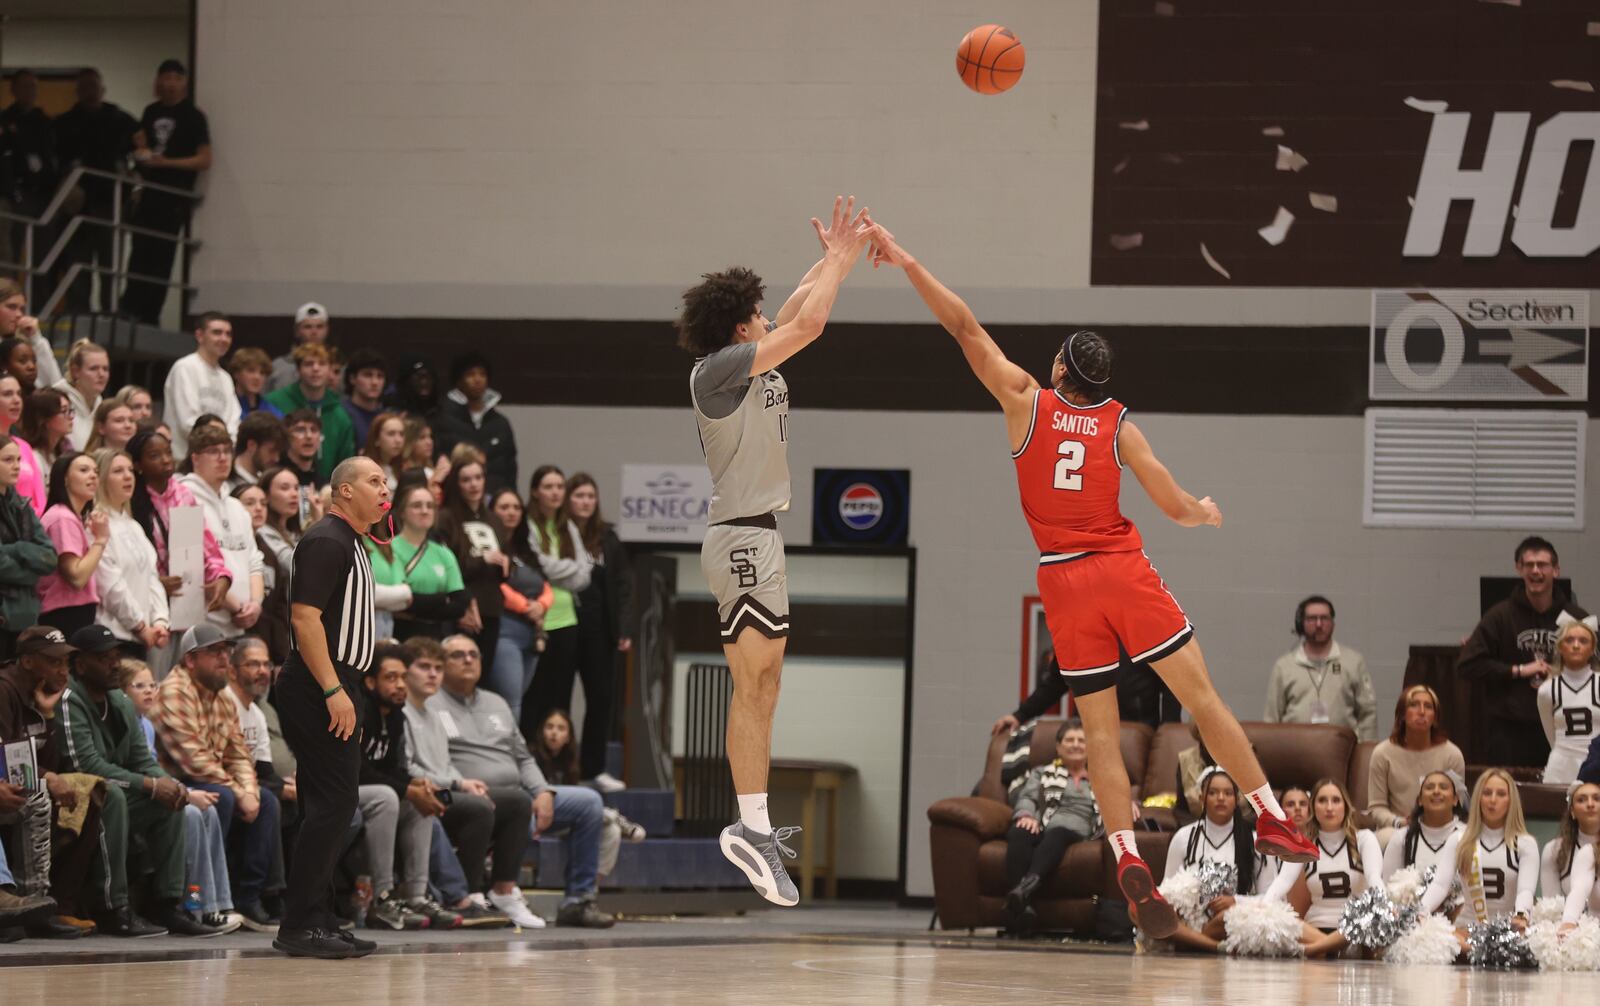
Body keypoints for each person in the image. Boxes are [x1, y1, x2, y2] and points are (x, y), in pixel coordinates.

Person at [867, 219, 1319, 935]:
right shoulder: (1118, 426)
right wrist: (1202, 514)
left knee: (1100, 735)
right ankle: (1272, 818)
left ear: (1057, 370)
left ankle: (1125, 857)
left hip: (1063, 581)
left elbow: (962, 325)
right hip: (1121, 568)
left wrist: (904, 258)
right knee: (1201, 699)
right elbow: (1171, 504)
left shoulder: (1024, 400)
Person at [674, 198, 878, 907]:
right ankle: (751, 827)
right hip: (741, 537)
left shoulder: (745, 353)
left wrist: (835, 257)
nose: (769, 320)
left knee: (765, 686)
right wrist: (842, 264)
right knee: (754, 683)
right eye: (756, 313)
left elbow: (797, 311)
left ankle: (753, 825)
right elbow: (810, 323)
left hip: (757, 536)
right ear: (736, 326)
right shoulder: (719, 370)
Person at [271, 456, 389, 959]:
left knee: (328, 805)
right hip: (321, 682)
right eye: (374, 481)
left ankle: (316, 918)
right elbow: (305, 619)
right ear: (344, 492)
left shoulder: (354, 541)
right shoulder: (325, 539)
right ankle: (299, 924)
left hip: (340, 681)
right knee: (336, 804)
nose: (385, 489)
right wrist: (332, 690)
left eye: (386, 481)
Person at [429, 634, 613, 928]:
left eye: (474, 654)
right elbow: (436, 760)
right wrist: (463, 784)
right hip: (473, 795)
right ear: (441, 664)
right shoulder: (431, 702)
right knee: (516, 809)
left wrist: (543, 791)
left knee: (589, 802)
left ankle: (578, 901)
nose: (468, 660)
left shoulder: (496, 703)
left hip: (520, 792)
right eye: (458, 655)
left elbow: (524, 757)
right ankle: (499, 889)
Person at [56, 625, 216, 936]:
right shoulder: (70, 698)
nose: (114, 664)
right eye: (103, 658)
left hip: (113, 789)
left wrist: (167, 784)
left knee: (171, 801)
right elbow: (87, 767)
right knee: (112, 797)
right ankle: (113, 907)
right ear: (80, 663)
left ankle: (167, 904)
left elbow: (142, 760)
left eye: (116, 656)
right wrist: (150, 785)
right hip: (74, 794)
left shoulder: (120, 702)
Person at [154, 624, 282, 931]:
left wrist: (249, 791)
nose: (224, 658)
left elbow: (238, 752)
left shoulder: (221, 695)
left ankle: (248, 899)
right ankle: (205, 902)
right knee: (222, 797)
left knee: (266, 801)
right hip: (174, 780)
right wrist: (239, 791)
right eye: (214, 652)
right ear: (190, 660)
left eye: (226, 651)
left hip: (210, 779)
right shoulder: (175, 692)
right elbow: (194, 759)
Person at [122, 659, 241, 934]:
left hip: (153, 791)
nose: (149, 691)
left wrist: (187, 792)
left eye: (152, 685)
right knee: (188, 812)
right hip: (136, 796)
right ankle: (192, 904)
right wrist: (186, 795)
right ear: (122, 691)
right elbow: (139, 774)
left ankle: (214, 905)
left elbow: (154, 770)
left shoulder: (147, 725)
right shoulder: (125, 723)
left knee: (207, 810)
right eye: (139, 686)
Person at [0, 626, 103, 939]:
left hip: (18, 780)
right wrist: (48, 778)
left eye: (65, 663)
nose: (63, 670)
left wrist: (48, 715)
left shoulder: (43, 695)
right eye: (54, 662)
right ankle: (31, 902)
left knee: (90, 789)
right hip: (9, 784)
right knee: (36, 796)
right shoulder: (5, 690)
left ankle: (56, 905)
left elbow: (50, 763)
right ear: (28, 661)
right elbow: (8, 758)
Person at [1459, 536, 1589, 769]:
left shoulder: (1577, 616)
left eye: (1542, 565)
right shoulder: (1499, 616)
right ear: (1519, 569)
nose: (1535, 571)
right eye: (1529, 565)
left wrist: (1561, 677)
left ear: (1556, 570)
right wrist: (1518, 670)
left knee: (1559, 798)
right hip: (1510, 730)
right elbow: (1468, 665)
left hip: (1562, 728)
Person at [355, 642, 446, 930]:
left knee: (422, 801)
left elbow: (392, 768)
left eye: (403, 678)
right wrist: (407, 789)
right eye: (390, 678)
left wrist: (415, 784)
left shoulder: (395, 717)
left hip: (372, 789)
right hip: (343, 789)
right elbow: (358, 770)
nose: (399, 685)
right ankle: (382, 898)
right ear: (370, 682)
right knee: (387, 797)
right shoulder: (359, 711)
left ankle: (416, 896)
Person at [119, 59, 211, 325]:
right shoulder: (150, 111)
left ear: (183, 82)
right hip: (149, 192)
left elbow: (204, 159)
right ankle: (130, 306)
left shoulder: (193, 116)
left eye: (176, 78)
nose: (170, 84)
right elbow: (142, 145)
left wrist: (168, 163)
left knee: (161, 255)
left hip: (175, 195)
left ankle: (150, 313)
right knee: (139, 251)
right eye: (165, 78)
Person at [564, 473, 635, 789]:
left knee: (600, 699)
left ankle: (594, 769)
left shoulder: (608, 538)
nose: (585, 502)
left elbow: (623, 586)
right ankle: (559, 767)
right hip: (563, 626)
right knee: (557, 697)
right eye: (579, 495)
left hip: (600, 631)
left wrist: (623, 627)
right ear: (568, 499)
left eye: (590, 496)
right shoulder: (558, 534)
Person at [1160, 766, 1280, 952]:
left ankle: (1193, 943)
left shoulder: (1255, 841)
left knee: (1226, 917)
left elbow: (1271, 898)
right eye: (1213, 792)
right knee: (1138, 909)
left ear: (1237, 799)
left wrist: (1236, 902)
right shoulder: (1183, 838)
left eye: (1228, 793)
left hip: (1231, 923)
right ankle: (1213, 946)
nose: (1221, 798)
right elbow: (1166, 893)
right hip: (1189, 921)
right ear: (1201, 798)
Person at [1263, 779, 1383, 958]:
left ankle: (1316, 950)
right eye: (1322, 801)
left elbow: (1374, 877)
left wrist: (1384, 904)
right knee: (1286, 920)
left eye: (1335, 800)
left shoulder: (1364, 839)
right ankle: (1330, 947)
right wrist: (1263, 907)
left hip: (1357, 926)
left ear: (1346, 806)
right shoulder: (1303, 844)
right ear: (1313, 808)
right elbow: (1283, 880)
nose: (1329, 807)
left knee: (1368, 916)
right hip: (1316, 926)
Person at [52, 68, 138, 315]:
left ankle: (110, 309)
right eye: (84, 88)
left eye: (93, 87)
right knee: (78, 262)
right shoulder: (65, 123)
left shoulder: (120, 120)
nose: (90, 93)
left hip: (111, 203)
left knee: (110, 261)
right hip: (78, 206)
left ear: (102, 90)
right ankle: (79, 309)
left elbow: (141, 147)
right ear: (77, 92)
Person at [127, 429, 232, 634]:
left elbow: (205, 545)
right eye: (155, 456)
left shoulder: (183, 494)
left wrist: (221, 577)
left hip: (186, 604)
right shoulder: (130, 500)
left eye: (168, 452)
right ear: (138, 465)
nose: (166, 460)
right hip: (148, 611)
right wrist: (155, 584)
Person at [1002, 719, 1100, 935]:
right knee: (1020, 831)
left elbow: (1116, 800)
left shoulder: (1100, 778)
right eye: (1070, 740)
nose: (1076, 744)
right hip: (1044, 821)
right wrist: (1027, 816)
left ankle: (1022, 892)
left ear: (1090, 746)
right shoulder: (1042, 772)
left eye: (1081, 740)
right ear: (1058, 747)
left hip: (1076, 828)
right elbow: (1027, 797)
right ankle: (1022, 902)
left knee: (1058, 833)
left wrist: (1127, 804)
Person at [530, 708, 645, 885]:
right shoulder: (531, 758)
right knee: (598, 810)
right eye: (549, 727)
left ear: (568, 736)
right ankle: (615, 817)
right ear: (541, 732)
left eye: (561, 728)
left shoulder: (571, 761)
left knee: (611, 831)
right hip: (540, 818)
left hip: (565, 820)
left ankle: (589, 888)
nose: (554, 732)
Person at [522, 466, 594, 738]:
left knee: (560, 696)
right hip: (539, 619)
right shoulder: (528, 524)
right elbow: (536, 565)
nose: (555, 492)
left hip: (567, 620)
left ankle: (557, 762)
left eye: (559, 487)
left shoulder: (568, 526)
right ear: (535, 492)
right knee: (535, 694)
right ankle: (532, 752)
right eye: (549, 487)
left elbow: (584, 574)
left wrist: (557, 571)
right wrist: (568, 569)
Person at [1419, 768, 1539, 926]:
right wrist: (1421, 911)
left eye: (1501, 794)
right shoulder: (1459, 840)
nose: (1493, 800)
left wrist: (1521, 915)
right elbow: (1440, 885)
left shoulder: (1525, 844)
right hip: (1466, 929)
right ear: (1478, 799)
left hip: (1509, 929)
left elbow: (1526, 890)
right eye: (1487, 793)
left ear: (1511, 800)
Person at [181, 425, 265, 639]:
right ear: (195, 458)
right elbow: (192, 567)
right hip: (201, 625)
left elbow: (254, 561)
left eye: (227, 451)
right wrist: (237, 607)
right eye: (213, 451)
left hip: (240, 625)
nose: (222, 458)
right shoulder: (184, 499)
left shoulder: (236, 507)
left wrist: (255, 604)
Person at [434, 458, 507, 685]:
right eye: (466, 480)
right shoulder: (446, 517)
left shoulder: (494, 519)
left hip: (491, 606)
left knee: (481, 678)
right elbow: (448, 565)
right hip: (462, 607)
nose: (474, 484)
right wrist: (482, 560)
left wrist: (507, 563)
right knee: (456, 677)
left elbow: (505, 562)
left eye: (478, 478)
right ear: (457, 484)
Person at [1364, 685, 1466, 847]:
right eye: (1414, 705)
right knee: (1383, 840)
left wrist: (1433, 822)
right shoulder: (1382, 753)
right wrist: (1400, 822)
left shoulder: (1452, 754)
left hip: (1441, 827)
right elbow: (1376, 807)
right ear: (1402, 714)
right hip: (1396, 828)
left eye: (1428, 706)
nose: (1421, 712)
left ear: (1435, 717)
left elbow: (1458, 804)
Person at [367, 481, 468, 642]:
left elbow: (460, 604)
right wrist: (442, 599)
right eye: (416, 505)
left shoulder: (444, 553)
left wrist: (414, 605)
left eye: (429, 506)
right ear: (402, 512)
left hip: (437, 634)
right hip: (400, 633)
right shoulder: (387, 548)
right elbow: (398, 598)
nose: (424, 511)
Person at [92, 449, 171, 655]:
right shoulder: (97, 522)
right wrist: (140, 625)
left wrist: (160, 620)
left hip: (141, 636)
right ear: (100, 479)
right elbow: (110, 585)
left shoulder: (133, 525)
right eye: (118, 471)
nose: (128, 476)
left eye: (130, 470)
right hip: (113, 636)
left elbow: (152, 578)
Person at [1262, 597, 1375, 739]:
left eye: (1325, 618)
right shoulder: (1284, 666)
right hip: (1294, 750)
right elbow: (1272, 718)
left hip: (1344, 751)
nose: (1319, 624)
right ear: (1301, 624)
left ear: (1333, 623)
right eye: (1312, 619)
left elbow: (1368, 712)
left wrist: (1366, 750)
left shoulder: (1353, 662)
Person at [488, 488, 550, 725]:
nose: (511, 512)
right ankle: (509, 756)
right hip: (506, 631)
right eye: (504, 507)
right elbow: (494, 584)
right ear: (492, 512)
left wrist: (542, 606)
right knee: (510, 701)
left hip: (532, 633)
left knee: (520, 698)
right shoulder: (491, 545)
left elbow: (546, 585)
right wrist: (526, 606)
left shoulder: (525, 548)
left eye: (516, 507)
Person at [38, 452, 109, 637]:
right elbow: (77, 576)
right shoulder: (62, 518)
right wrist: (100, 540)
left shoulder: (69, 517)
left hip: (71, 612)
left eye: (95, 471)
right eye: (84, 470)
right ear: (64, 479)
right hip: (64, 614)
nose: (93, 476)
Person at [265, 344, 355, 483]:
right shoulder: (275, 402)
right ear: (298, 369)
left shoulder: (340, 414)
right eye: (308, 364)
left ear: (330, 369)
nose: (315, 369)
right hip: (281, 482)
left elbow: (346, 463)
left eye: (322, 363)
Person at [431, 352, 518, 492]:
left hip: (494, 498)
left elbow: (510, 469)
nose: (477, 379)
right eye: (470, 374)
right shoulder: (443, 419)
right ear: (458, 380)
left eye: (482, 374)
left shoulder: (500, 423)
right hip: (455, 498)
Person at [0, 434, 54, 659]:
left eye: (18, 460)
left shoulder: (22, 505)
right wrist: (31, 569)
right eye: (7, 460)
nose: (16, 466)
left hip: (27, 615)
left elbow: (50, 558)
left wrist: (17, 548)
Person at [163, 312, 241, 458]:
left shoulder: (225, 378)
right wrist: (219, 442)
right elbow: (187, 421)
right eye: (217, 333)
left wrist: (224, 446)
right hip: (184, 459)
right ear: (199, 335)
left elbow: (234, 421)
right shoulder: (185, 367)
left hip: (218, 459)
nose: (224, 339)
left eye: (228, 334)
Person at [1538, 614, 1600, 785]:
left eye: (1583, 641)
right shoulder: (1547, 690)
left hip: (1596, 762)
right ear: (1560, 647)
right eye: (1569, 640)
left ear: (1593, 648)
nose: (1576, 646)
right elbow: (1550, 735)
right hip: (1560, 765)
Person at [1379, 769, 1467, 881]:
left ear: (1455, 800)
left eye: (1443, 787)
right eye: (1429, 787)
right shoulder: (1401, 839)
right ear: (1419, 800)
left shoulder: (1468, 837)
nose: (1436, 791)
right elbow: (1388, 885)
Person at [1543, 781, 1600, 918]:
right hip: (1570, 933)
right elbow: (1551, 908)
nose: (1590, 804)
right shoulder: (1554, 849)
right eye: (1581, 800)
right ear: (1572, 812)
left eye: (1597, 799)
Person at [0, 375, 47, 517]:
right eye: (7, 394)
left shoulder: (24, 446)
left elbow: (40, 497)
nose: (16, 400)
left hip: (33, 526)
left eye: (19, 394)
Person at [53, 340, 109, 451]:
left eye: (105, 369)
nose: (102, 374)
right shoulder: (56, 402)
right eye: (94, 368)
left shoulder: (103, 409)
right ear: (75, 371)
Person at [268, 303, 330, 393]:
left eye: (319, 327)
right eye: (308, 327)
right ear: (297, 331)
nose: (314, 332)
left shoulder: (337, 366)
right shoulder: (278, 367)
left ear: (327, 330)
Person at [225, 412, 286, 493]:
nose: (276, 458)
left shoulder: (268, 483)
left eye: (278, 452)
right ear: (252, 445)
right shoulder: (225, 482)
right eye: (271, 450)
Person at [341, 349, 388, 450]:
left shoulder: (385, 418)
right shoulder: (340, 414)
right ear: (352, 379)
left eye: (380, 376)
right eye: (368, 375)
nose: (375, 382)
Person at [18, 389, 74, 470]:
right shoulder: (33, 457)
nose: (71, 417)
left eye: (70, 410)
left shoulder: (59, 452)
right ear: (44, 419)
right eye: (64, 411)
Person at [229, 347, 284, 421]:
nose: (257, 377)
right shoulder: (227, 405)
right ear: (236, 373)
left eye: (262, 373)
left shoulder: (272, 413)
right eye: (251, 370)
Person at [399, 415, 449, 495]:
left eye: (430, 436)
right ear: (409, 441)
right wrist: (435, 479)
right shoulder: (403, 471)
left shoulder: (430, 468)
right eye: (422, 438)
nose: (429, 442)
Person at [281, 408, 325, 489]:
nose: (309, 436)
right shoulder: (276, 477)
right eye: (300, 430)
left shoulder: (324, 483)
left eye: (314, 430)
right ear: (287, 437)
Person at [361, 412, 406, 491]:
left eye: (401, 434)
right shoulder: (362, 470)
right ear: (376, 439)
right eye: (391, 434)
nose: (398, 440)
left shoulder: (404, 468)